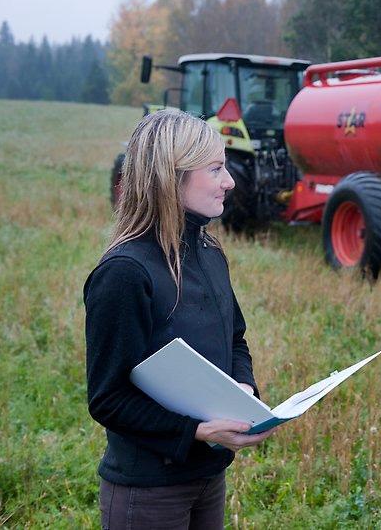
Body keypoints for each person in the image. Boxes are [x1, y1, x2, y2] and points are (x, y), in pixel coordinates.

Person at [84, 109, 272, 529]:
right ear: (172, 176)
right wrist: (198, 431)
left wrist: (242, 389)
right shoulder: (124, 274)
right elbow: (108, 399)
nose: (230, 181)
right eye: (217, 168)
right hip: (148, 492)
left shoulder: (209, 253)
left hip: (209, 477)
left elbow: (235, 340)